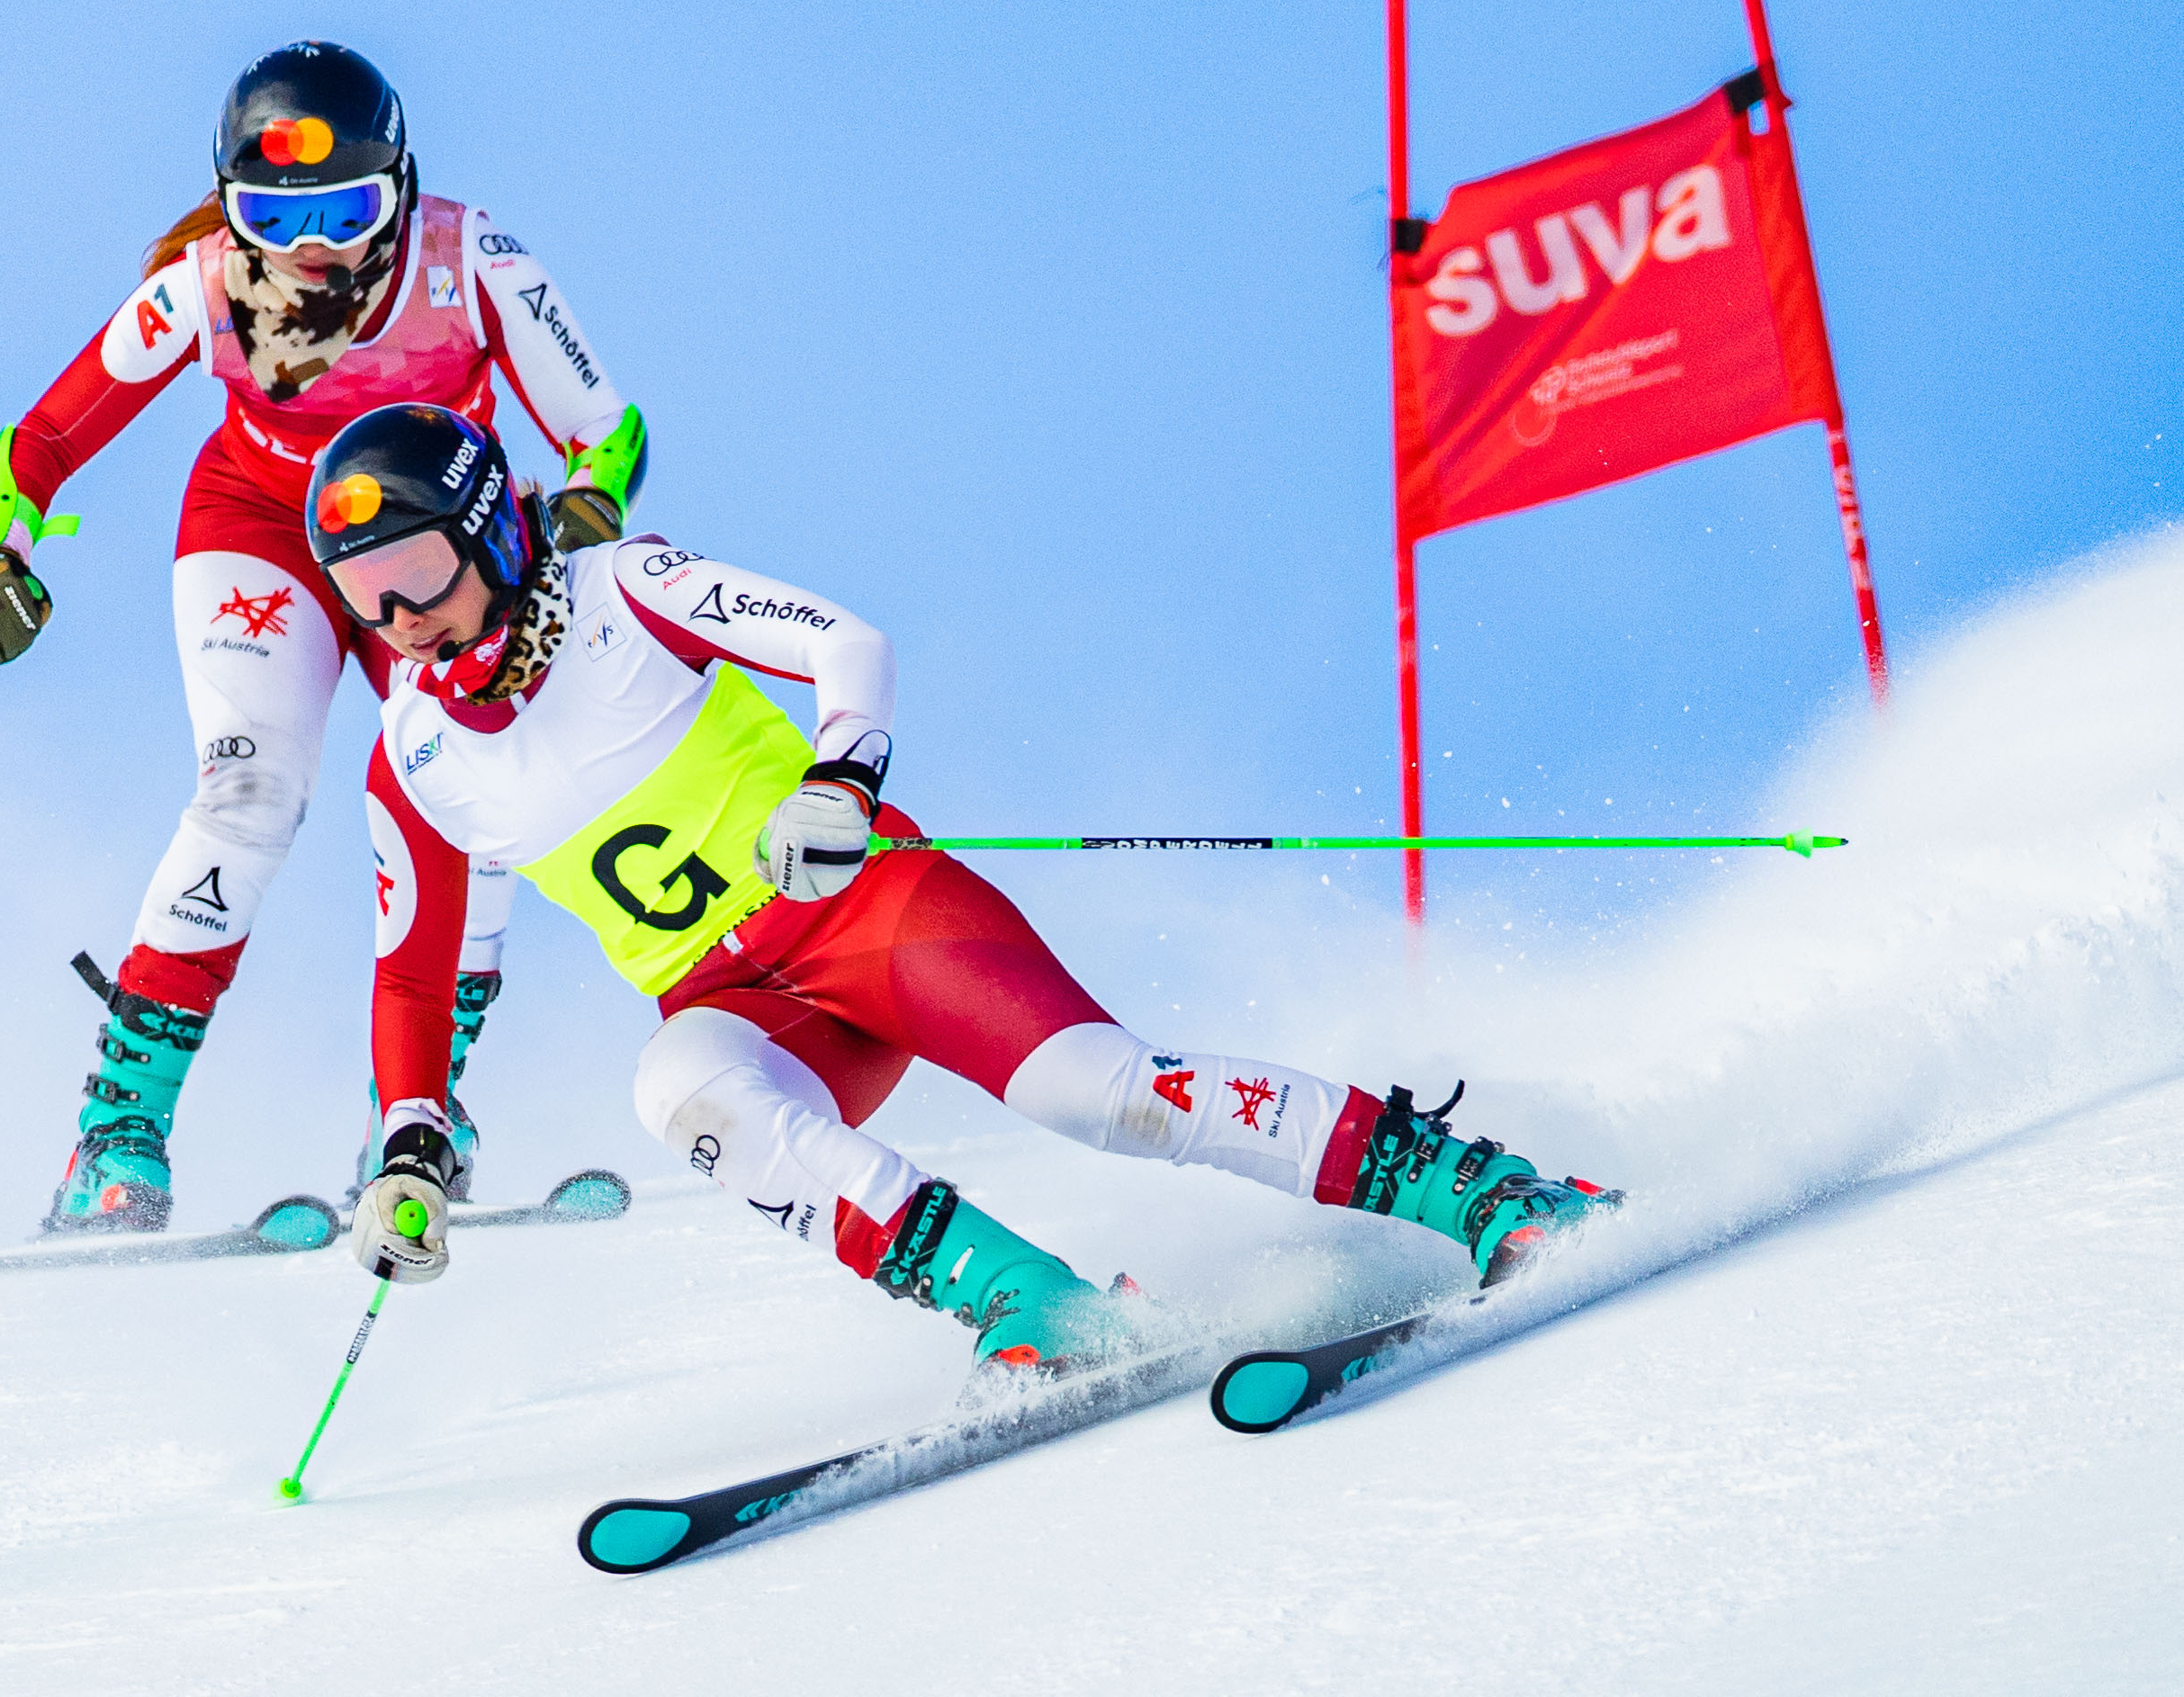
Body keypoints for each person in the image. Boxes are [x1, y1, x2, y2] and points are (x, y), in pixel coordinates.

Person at [308, 401, 1622, 1376]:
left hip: (866, 914)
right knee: (678, 1086)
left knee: (1094, 1091)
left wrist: (842, 778)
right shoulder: (412, 757)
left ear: (490, 529)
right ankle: (1039, 1309)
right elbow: (415, 969)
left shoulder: (627, 588)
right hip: (743, 1003)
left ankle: (1487, 1192)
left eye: (414, 573)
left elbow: (845, 642)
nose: (397, 617)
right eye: (363, 596)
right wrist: (411, 1137)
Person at [0, 44, 651, 1235]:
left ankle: (413, 1115)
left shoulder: (468, 260)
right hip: (261, 529)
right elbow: (42, 438)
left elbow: (606, 427)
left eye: (344, 212)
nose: (306, 247)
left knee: (464, 794)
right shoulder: (206, 284)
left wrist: (587, 507)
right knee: (247, 791)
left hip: (428, 552)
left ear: (400, 189)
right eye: (270, 216)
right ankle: (117, 1135)